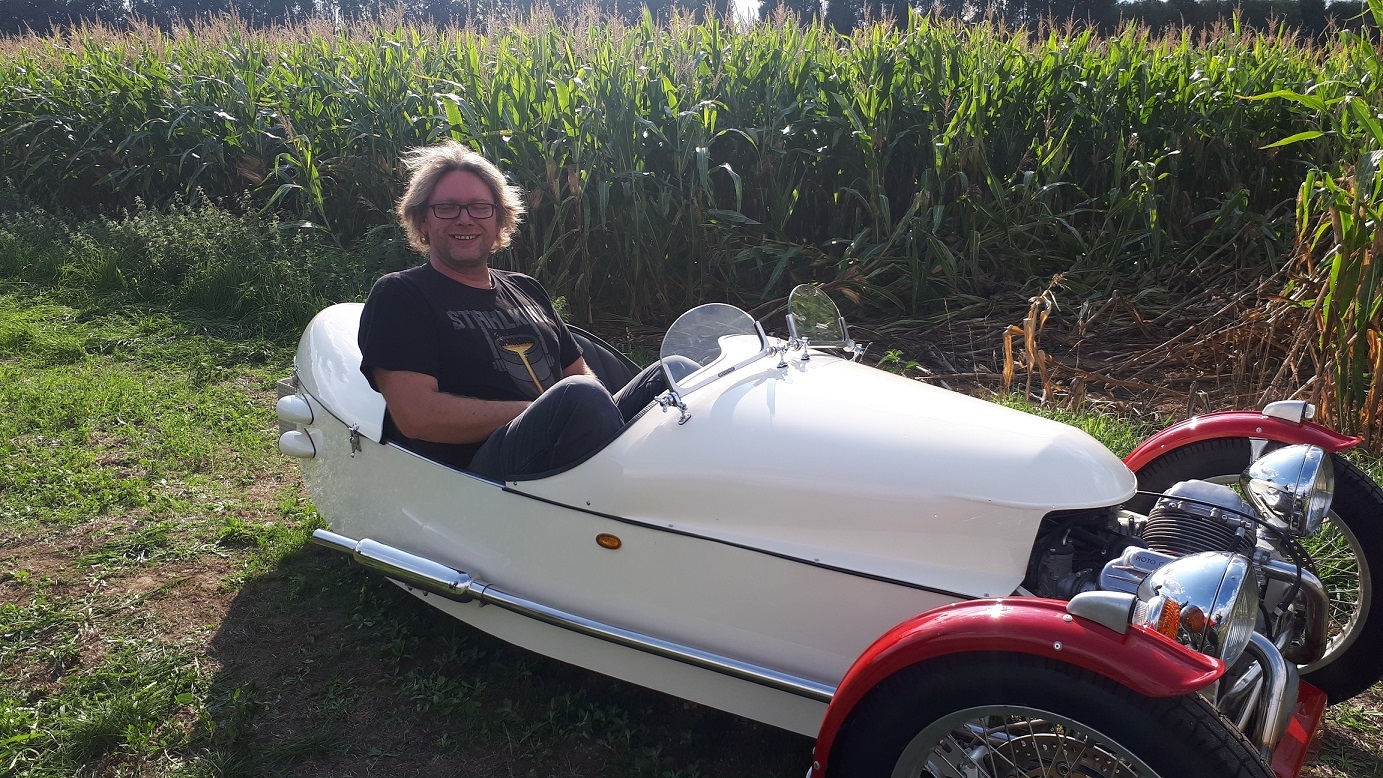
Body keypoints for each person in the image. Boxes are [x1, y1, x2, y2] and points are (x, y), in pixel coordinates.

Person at [357, 142, 667, 479]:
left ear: (499, 220)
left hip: (569, 432)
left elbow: (579, 374)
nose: (465, 219)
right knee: (580, 396)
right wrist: (542, 411)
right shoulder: (401, 294)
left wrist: (584, 413)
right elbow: (417, 416)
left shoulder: (527, 288)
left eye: (479, 208)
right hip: (484, 478)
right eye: (447, 208)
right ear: (422, 221)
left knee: (673, 374)